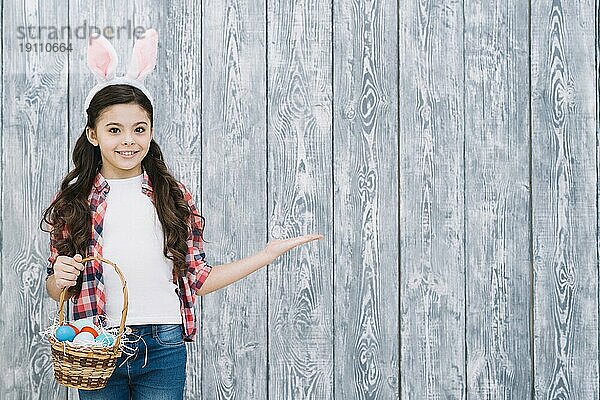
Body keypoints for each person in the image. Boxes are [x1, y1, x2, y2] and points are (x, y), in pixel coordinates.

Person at [40, 29, 323, 400]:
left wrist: (265, 255)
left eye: (139, 129)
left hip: (164, 343)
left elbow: (198, 280)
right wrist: (59, 278)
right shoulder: (75, 200)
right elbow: (54, 288)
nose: (128, 140)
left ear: (151, 132)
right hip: (95, 343)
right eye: (114, 130)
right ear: (93, 135)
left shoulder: (171, 196)